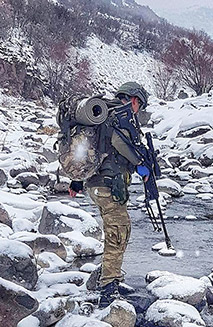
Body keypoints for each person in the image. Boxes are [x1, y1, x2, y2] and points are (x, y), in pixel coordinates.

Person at [69, 81, 150, 307]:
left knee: (120, 229)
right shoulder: (119, 116)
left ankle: (107, 275)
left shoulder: (102, 115)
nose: (138, 110)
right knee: (118, 232)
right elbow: (119, 143)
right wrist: (140, 162)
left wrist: (76, 181)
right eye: (140, 105)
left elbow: (89, 150)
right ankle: (108, 289)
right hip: (108, 185)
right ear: (134, 99)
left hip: (95, 184)